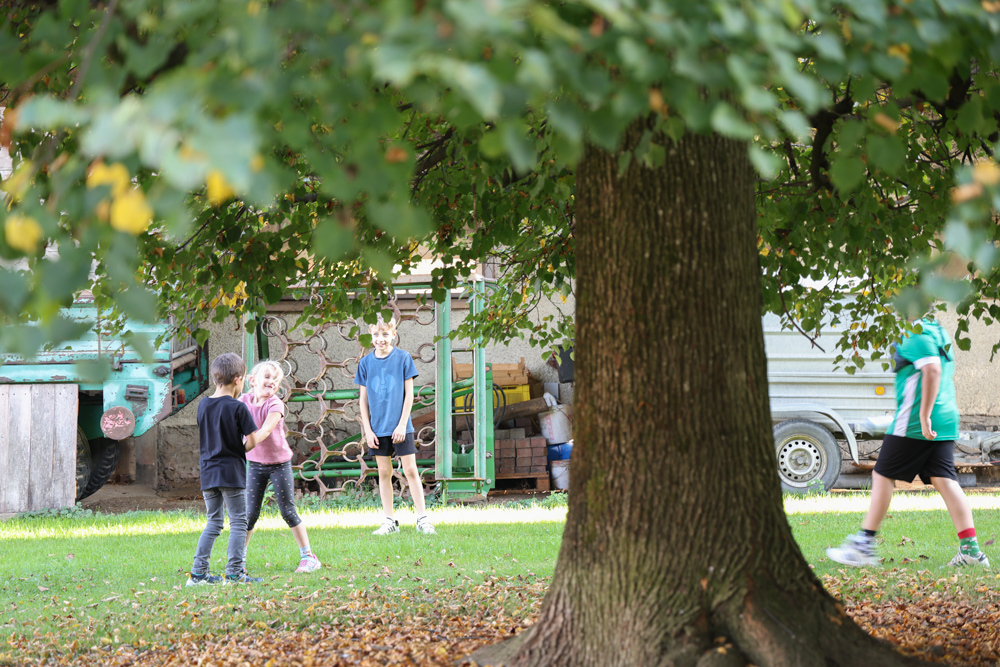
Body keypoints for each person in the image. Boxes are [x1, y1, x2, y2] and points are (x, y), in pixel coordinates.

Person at [827, 313, 988, 568]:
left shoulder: (915, 330)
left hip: (915, 422)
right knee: (944, 479)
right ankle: (971, 551)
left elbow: (932, 370)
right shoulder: (938, 330)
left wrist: (923, 416)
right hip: (944, 418)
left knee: (882, 474)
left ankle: (862, 546)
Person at [187, 353, 279, 586]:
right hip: (231, 473)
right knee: (238, 521)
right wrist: (243, 447)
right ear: (238, 379)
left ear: (215, 378)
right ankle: (235, 574)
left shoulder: (203, 405)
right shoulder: (238, 407)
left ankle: (198, 574)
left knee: (213, 522)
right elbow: (251, 440)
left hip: (208, 472)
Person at [355, 316, 436, 535]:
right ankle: (389, 521)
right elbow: (363, 400)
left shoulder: (403, 358)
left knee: (410, 470)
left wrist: (401, 425)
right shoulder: (365, 363)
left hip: (401, 427)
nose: (380, 339)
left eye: (385, 334)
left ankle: (423, 519)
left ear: (393, 334)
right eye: (376, 334)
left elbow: (409, 394)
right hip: (377, 428)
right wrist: (368, 430)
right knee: (383, 472)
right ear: (371, 335)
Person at [241, 359, 321, 573]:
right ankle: (239, 558)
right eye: (267, 377)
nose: (272, 381)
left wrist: (241, 448)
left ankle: (309, 557)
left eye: (276, 380)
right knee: (249, 514)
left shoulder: (275, 404)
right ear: (252, 380)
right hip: (256, 464)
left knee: (287, 511)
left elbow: (265, 431)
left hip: (279, 464)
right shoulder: (243, 401)